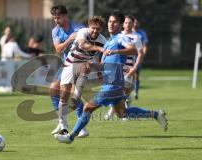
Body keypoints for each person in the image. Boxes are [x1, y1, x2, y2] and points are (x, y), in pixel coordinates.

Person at [54, 11, 168, 144]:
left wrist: (116, 51)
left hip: (113, 85)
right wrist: (94, 66)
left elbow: (133, 50)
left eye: (114, 22)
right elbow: (107, 65)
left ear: (120, 25)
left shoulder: (121, 38)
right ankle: (156, 114)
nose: (111, 24)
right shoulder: (109, 41)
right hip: (113, 83)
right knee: (122, 113)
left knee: (87, 108)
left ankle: (70, 136)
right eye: (109, 21)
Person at [57, 16, 107, 137]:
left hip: (85, 67)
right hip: (70, 64)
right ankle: (63, 125)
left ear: (101, 29)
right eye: (93, 28)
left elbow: (104, 56)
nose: (95, 31)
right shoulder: (82, 32)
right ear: (89, 26)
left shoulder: (103, 40)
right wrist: (99, 48)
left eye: (98, 29)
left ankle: (77, 95)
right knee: (63, 95)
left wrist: (101, 69)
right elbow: (84, 45)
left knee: (87, 65)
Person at [50, 5, 86, 136]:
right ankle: (61, 122)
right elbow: (58, 49)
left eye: (58, 17)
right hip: (67, 64)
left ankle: (81, 127)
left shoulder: (79, 28)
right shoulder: (56, 31)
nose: (56, 20)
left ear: (65, 16)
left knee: (72, 95)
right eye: (54, 18)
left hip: (80, 63)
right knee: (54, 89)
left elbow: (89, 45)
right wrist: (69, 40)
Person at [104, 15, 144, 120]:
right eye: (125, 23)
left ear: (133, 24)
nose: (127, 25)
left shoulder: (136, 37)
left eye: (129, 23)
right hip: (118, 67)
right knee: (115, 90)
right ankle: (114, 109)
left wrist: (135, 68)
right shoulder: (119, 36)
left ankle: (124, 111)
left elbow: (140, 53)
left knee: (125, 91)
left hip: (129, 67)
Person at [132, 18, 149, 100]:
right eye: (134, 23)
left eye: (137, 23)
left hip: (137, 57)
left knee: (136, 75)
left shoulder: (141, 33)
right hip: (128, 58)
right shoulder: (127, 32)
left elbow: (145, 46)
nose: (135, 24)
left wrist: (142, 56)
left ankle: (135, 92)